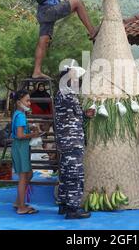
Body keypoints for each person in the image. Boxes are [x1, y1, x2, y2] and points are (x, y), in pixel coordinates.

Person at [33, 0, 99, 79]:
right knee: (78, 3)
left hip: (43, 11)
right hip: (48, 10)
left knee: (43, 41)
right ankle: (92, 31)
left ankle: (37, 71)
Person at [54, 65, 95, 219]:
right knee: (74, 174)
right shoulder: (67, 95)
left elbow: (71, 116)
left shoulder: (63, 94)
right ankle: (73, 209)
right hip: (71, 141)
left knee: (65, 173)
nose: (77, 81)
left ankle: (64, 204)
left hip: (67, 140)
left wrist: (85, 114)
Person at [11, 90, 41, 215]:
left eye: (30, 100)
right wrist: (33, 134)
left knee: (28, 174)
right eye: (27, 100)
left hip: (20, 148)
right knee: (24, 176)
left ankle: (19, 202)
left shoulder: (18, 114)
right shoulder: (21, 116)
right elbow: (20, 135)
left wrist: (30, 129)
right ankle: (21, 207)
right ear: (19, 102)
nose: (29, 103)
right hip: (20, 148)